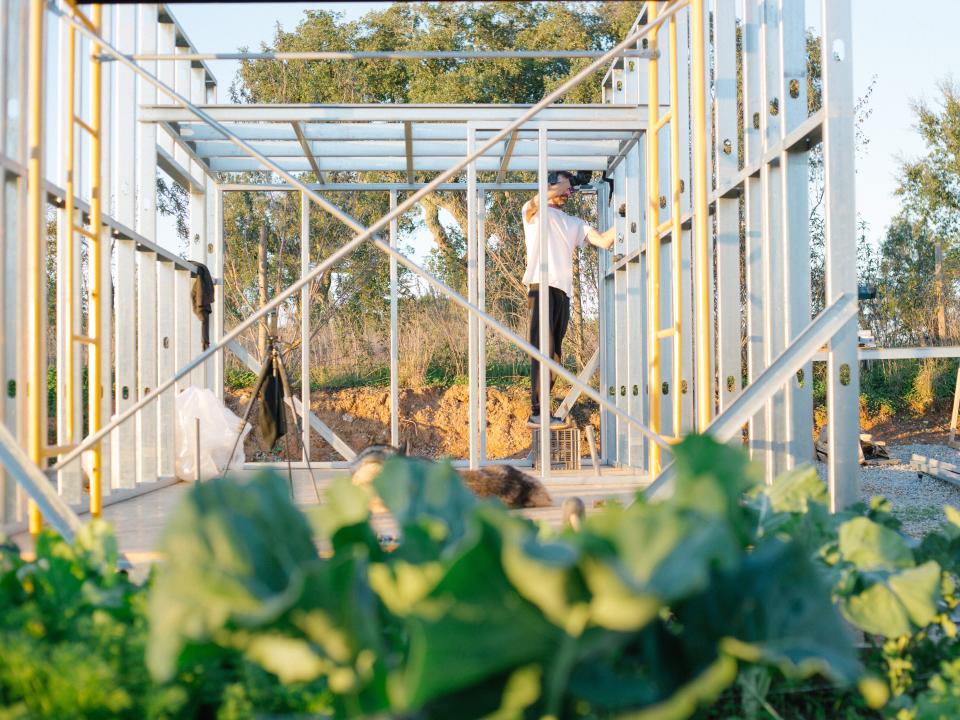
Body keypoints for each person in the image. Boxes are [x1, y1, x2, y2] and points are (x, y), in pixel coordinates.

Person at [522, 170, 615, 428]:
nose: (570, 192)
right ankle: (537, 411)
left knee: (554, 355)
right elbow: (543, 197)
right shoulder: (533, 213)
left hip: (562, 293)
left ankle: (541, 412)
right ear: (551, 185)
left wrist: (632, 214)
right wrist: (570, 181)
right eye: (565, 187)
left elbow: (605, 241)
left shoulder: (574, 222)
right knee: (542, 349)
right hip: (541, 287)